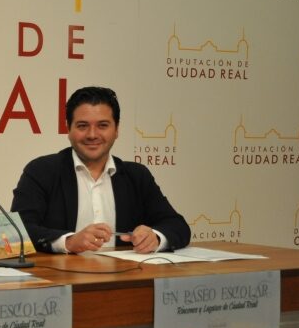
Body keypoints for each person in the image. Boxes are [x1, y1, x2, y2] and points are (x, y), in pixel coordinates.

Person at [11, 86, 190, 254]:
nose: (92, 135)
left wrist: (155, 238)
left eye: (102, 125)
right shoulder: (42, 171)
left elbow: (177, 225)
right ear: (68, 129)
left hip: (125, 273)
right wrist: (68, 242)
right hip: (59, 274)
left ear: (116, 130)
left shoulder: (137, 175)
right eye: (82, 126)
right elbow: (18, 230)